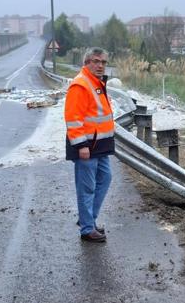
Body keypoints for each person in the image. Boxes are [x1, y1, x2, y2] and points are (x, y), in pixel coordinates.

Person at [64, 47, 115, 243]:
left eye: (103, 62)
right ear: (86, 63)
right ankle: (87, 229)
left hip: (100, 145)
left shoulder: (97, 83)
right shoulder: (81, 85)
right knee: (86, 188)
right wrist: (81, 145)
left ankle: (88, 219)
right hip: (87, 146)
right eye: (96, 61)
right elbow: (73, 118)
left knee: (106, 178)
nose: (100, 65)